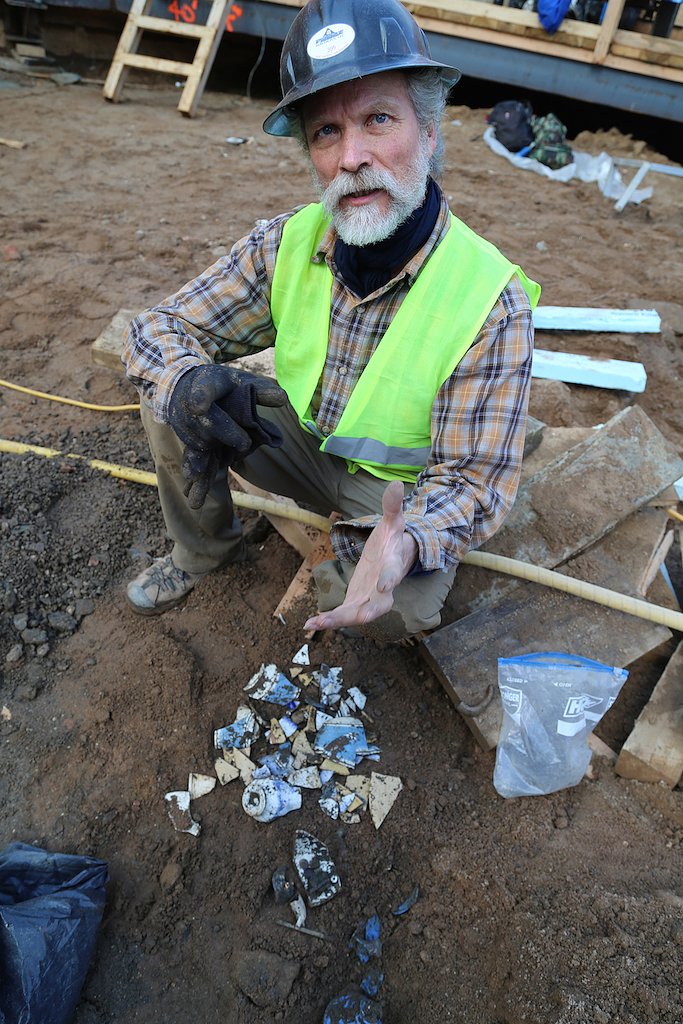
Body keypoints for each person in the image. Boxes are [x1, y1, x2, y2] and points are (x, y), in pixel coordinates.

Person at [122, 0, 540, 642]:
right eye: (326, 132)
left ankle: (365, 563)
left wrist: (405, 542)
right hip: (299, 443)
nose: (352, 157)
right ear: (310, 153)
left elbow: (475, 484)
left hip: (397, 496)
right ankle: (205, 550)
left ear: (427, 133)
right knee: (175, 398)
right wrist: (183, 382)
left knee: (393, 611)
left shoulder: (490, 297)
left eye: (378, 119)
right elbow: (158, 329)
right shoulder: (287, 242)